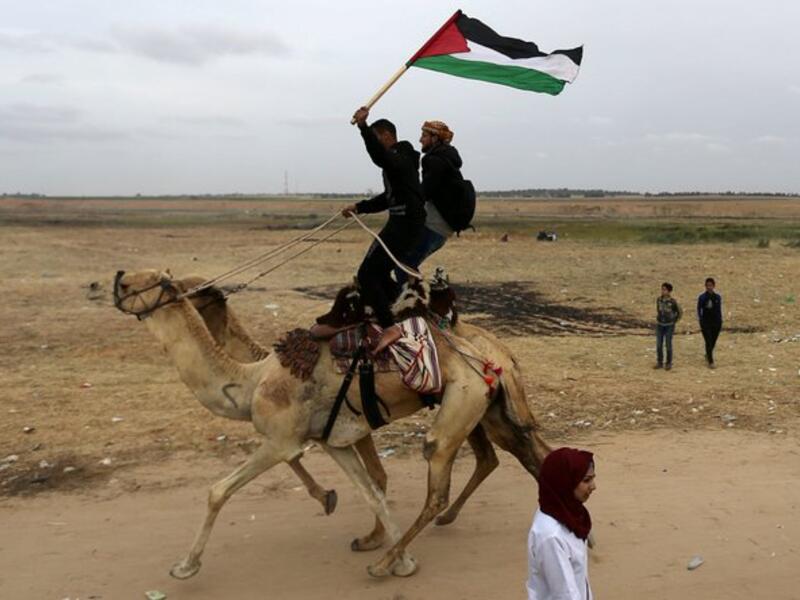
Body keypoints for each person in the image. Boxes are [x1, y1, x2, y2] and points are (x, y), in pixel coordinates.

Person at [342, 107, 426, 346]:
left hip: (404, 225)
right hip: (403, 224)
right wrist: (359, 207)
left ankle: (390, 327)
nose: (378, 145)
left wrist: (363, 128)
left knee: (366, 274)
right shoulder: (399, 165)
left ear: (387, 136)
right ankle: (397, 310)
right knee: (377, 273)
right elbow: (388, 199)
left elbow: (380, 156)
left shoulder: (401, 156)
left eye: (378, 139)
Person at [395, 120, 463, 283]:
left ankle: (412, 305)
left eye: (424, 136)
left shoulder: (433, 160)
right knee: (407, 264)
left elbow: (423, 193)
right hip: (442, 227)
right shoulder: (447, 158)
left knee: (403, 265)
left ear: (435, 138)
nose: (420, 140)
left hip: (434, 225)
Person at [527, 447, 596, 600]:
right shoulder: (551, 536)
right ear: (564, 482)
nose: (593, 486)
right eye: (586, 480)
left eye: (592, 478)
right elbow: (565, 594)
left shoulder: (568, 516)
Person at [655, 282, 682, 370]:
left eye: (665, 290)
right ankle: (659, 361)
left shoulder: (672, 302)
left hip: (669, 325)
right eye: (662, 289)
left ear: (669, 291)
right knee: (659, 344)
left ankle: (668, 362)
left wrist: (674, 320)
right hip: (660, 324)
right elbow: (658, 309)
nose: (663, 291)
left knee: (668, 344)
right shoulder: (659, 299)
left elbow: (679, 312)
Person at [697, 277, 723, 368]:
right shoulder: (702, 297)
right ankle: (710, 361)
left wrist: (720, 321)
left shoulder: (717, 297)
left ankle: (708, 353)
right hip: (706, 322)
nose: (709, 287)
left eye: (711, 285)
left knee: (713, 340)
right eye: (707, 285)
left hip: (716, 322)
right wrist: (701, 320)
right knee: (708, 340)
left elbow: (719, 310)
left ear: (714, 286)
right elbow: (699, 309)